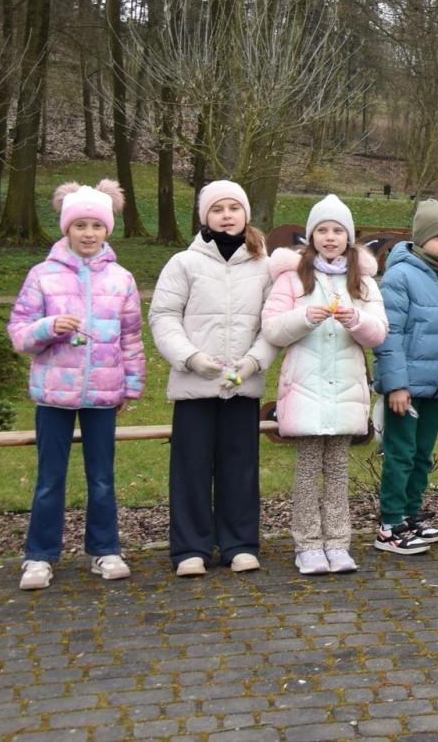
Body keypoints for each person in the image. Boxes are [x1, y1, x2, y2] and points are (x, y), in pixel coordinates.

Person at [9, 180, 145, 590]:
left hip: (103, 395)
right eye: (80, 225)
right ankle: (39, 556)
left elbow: (132, 337)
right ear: (67, 228)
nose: (89, 233)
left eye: (96, 226)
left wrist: (132, 385)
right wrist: (49, 327)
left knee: (102, 477)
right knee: (51, 478)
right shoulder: (42, 275)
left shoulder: (122, 279)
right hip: (53, 395)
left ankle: (105, 549)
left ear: (108, 230)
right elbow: (19, 332)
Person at [150, 180, 276, 577]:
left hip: (241, 386)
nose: (226, 215)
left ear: (245, 215)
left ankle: (239, 543)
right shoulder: (184, 263)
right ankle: (190, 548)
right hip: (195, 386)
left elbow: (271, 324)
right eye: (218, 209)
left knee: (240, 467)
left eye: (233, 208)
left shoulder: (263, 266)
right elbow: (163, 316)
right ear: (205, 216)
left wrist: (255, 362)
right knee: (191, 467)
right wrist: (189, 357)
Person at [262, 196, 387, 575]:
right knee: (306, 469)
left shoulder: (362, 281)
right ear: (311, 236)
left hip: (346, 389)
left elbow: (379, 332)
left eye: (337, 231)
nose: (330, 237)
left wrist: (356, 319)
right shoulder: (291, 279)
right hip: (304, 388)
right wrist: (303, 317)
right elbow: (272, 327)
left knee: (337, 470)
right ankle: (307, 545)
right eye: (323, 230)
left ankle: (338, 542)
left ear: (348, 238)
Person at [372, 200, 438, 555]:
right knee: (401, 453)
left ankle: (410, 515)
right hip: (405, 387)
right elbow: (388, 334)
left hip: (434, 385)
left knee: (423, 453)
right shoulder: (400, 276)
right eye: (437, 236)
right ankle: (389, 523)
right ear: (421, 238)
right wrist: (396, 385)